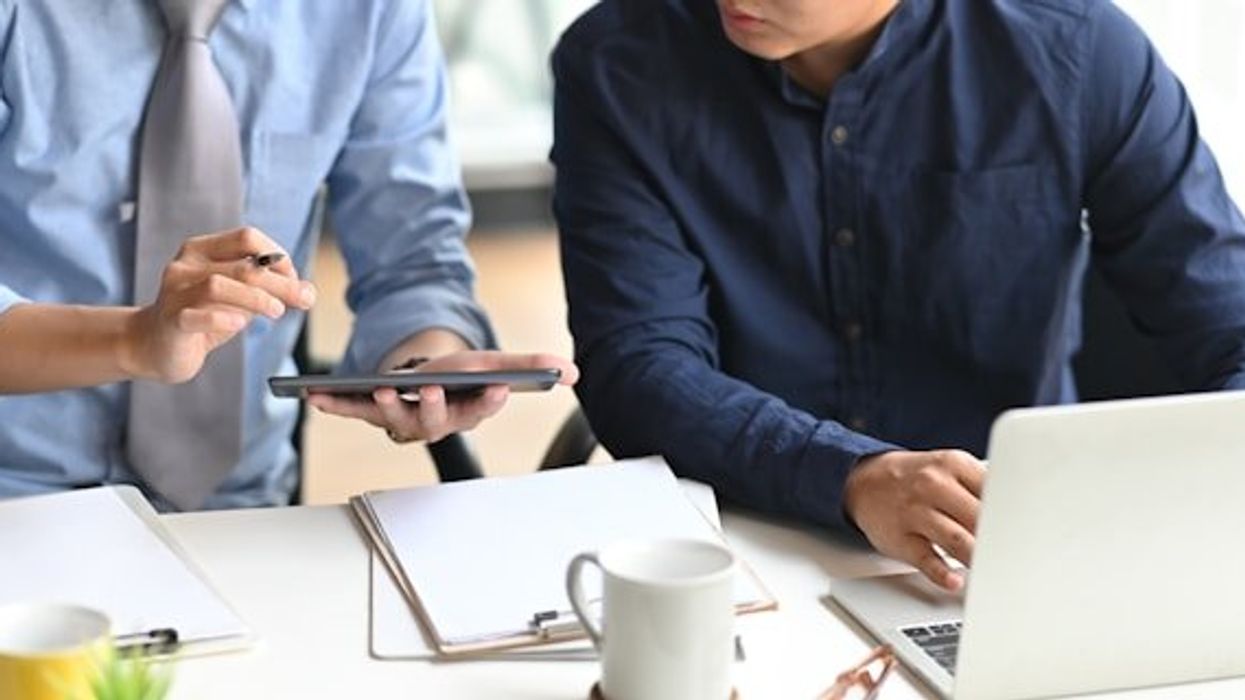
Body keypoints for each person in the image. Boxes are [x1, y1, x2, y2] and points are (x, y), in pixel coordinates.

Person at [551, 0, 1245, 591]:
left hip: (1004, 548)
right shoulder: (619, 62)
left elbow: (1228, 319)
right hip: (734, 543)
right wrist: (848, 476)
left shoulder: (1074, 49)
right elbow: (639, 365)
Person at [0, 0, 575, 510]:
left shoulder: (372, 12)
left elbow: (412, 258)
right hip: (19, 493)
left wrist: (422, 365)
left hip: (239, 506)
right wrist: (135, 340)